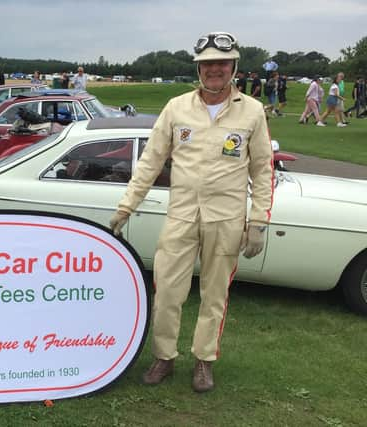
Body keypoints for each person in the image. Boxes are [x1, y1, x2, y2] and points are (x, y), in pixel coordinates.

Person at [109, 31, 273, 393]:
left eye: (222, 63)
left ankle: (204, 360)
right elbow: (150, 161)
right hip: (182, 216)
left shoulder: (252, 110)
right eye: (208, 63)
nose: (215, 69)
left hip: (226, 219)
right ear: (198, 68)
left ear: (234, 67)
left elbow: (263, 168)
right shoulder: (176, 107)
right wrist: (126, 206)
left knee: (215, 295)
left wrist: (259, 220)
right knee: (167, 290)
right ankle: (164, 357)